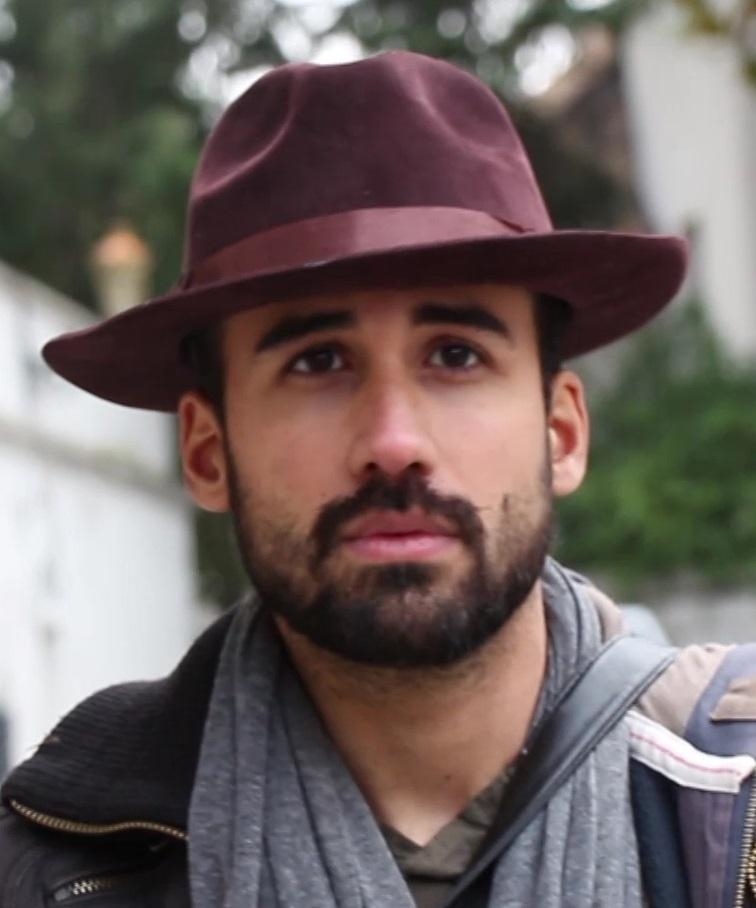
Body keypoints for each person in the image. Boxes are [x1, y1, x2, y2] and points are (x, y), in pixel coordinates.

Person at [1, 51, 754, 908]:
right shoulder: (56, 864)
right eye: (318, 362)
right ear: (208, 454)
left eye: (456, 355)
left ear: (562, 433)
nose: (394, 443)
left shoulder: (729, 800)